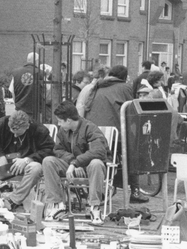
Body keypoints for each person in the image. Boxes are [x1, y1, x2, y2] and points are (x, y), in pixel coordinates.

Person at [85, 65, 149, 204]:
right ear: (124, 77)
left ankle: (104, 186)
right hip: (113, 133)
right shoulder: (125, 87)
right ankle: (135, 191)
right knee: (132, 153)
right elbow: (133, 109)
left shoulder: (98, 86)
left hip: (93, 132)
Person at [0, 110, 54, 212]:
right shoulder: (1, 124)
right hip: (5, 162)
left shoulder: (39, 130)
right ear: (9, 125)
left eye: (18, 133)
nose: (15, 136)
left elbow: (48, 150)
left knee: (36, 168)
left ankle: (13, 201)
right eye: (13, 132)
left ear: (27, 126)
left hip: (26, 164)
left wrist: (28, 159)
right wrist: (0, 156)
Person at [42, 101, 108, 224]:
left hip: (90, 168)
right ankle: (57, 205)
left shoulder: (90, 128)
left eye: (60, 121)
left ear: (68, 120)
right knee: (48, 161)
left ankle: (94, 207)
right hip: (72, 166)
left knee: (96, 163)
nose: (58, 124)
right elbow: (58, 150)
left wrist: (76, 163)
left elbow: (99, 151)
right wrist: (73, 162)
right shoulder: (63, 131)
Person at [11, 52, 48, 122]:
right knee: (34, 131)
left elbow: (12, 91)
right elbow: (47, 90)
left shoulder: (16, 73)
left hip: (20, 110)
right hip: (35, 111)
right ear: (36, 61)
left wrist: (17, 103)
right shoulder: (41, 73)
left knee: (20, 130)